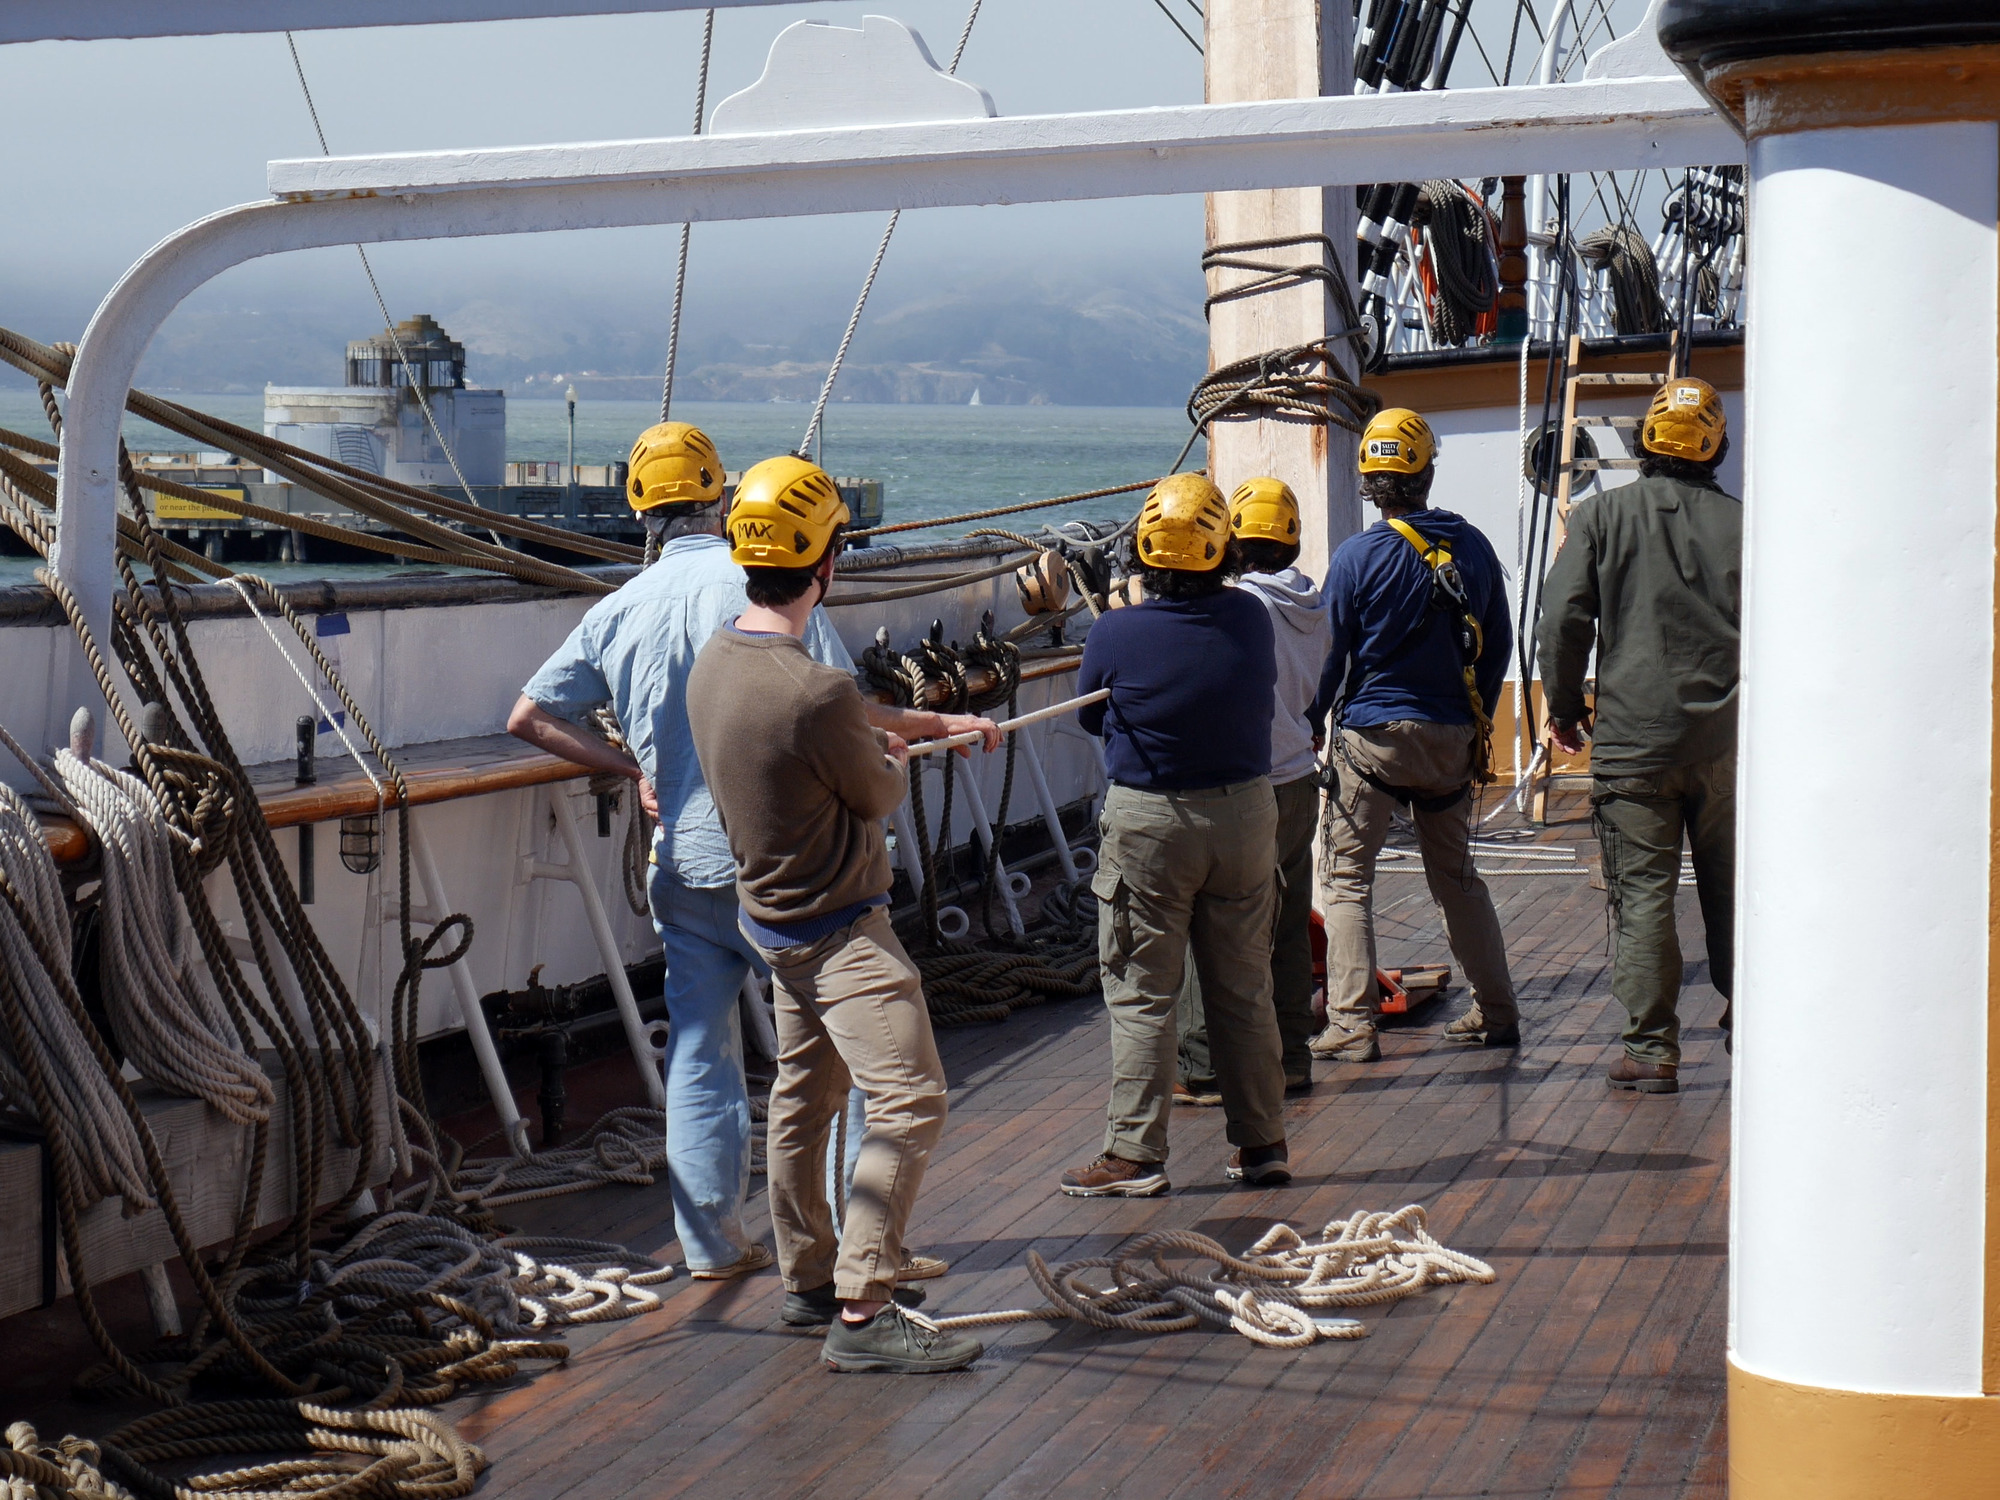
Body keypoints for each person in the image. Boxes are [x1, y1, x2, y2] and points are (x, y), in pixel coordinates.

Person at [507, 426, 996, 1287]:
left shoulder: (615, 610)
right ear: (720, 498)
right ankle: (857, 1237)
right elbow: (840, 708)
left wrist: (633, 771)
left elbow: (530, 718)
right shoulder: (759, 587)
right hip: (790, 870)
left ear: (640, 509)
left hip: (685, 865)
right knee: (832, 1060)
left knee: (700, 1048)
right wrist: (931, 725)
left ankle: (710, 1244)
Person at [687, 454, 984, 1375]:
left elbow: (835, 734)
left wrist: (918, 729)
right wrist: (903, 755)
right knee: (909, 1097)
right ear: (826, 565)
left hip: (772, 926)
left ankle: (807, 1276)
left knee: (803, 1101)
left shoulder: (719, 660)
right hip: (841, 932)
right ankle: (863, 1307)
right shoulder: (812, 690)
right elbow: (875, 793)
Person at [1061, 472, 1289, 1197]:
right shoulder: (1252, 617)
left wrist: (1128, 617)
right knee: (1244, 990)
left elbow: (1091, 716)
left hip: (1153, 824)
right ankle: (1262, 1147)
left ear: (1145, 552)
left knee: (1142, 995)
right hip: (1246, 817)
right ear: (1223, 551)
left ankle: (1134, 1153)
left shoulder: (1117, 630)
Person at [1537, 376, 1740, 1096]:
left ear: (1647, 443)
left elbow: (1562, 620)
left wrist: (1564, 709)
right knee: (1735, 888)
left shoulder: (1601, 518)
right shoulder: (1749, 526)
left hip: (1633, 746)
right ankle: (1753, 1016)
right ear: (1715, 447)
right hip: (1727, 744)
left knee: (1645, 895)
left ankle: (1652, 1049)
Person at [1310, 407, 1518, 1062]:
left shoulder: (1356, 557)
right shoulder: (1474, 546)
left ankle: (1351, 1025)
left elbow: (1334, 657)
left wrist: (1314, 719)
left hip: (1372, 741)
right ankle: (1497, 1009)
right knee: (1456, 877)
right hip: (1450, 738)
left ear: (1371, 482)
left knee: (1346, 878)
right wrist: (1470, 714)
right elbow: (1497, 646)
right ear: (1426, 473)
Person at [1175, 477, 1330, 1105]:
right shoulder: (1312, 604)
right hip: (1300, 781)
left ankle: (1204, 1064)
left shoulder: (1243, 607)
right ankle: (1292, 1058)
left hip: (1249, 786)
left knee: (1211, 925)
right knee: (1289, 929)